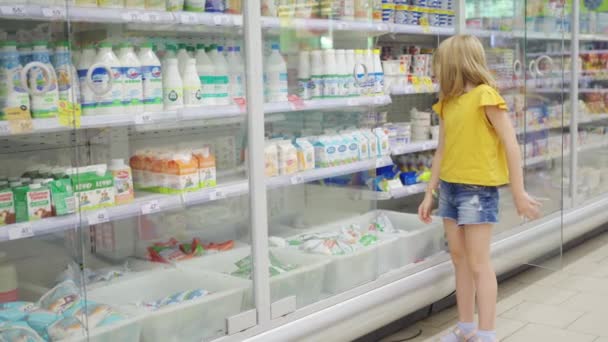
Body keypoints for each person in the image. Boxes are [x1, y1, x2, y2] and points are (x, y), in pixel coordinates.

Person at [418, 35, 541, 342]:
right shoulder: (446, 103)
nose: (436, 69)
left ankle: (486, 333)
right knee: (458, 258)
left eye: (440, 64)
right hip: (449, 188)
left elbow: (511, 145)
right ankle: (466, 327)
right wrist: (428, 193)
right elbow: (441, 151)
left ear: (455, 64)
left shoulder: (486, 96)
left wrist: (518, 192)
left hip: (477, 190)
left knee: (478, 262)